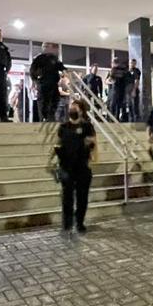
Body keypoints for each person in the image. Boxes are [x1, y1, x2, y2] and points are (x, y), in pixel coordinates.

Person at [54, 99, 96, 237]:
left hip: (82, 166)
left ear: (81, 111)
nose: (72, 109)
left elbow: (93, 144)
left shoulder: (87, 127)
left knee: (82, 197)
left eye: (75, 107)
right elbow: (57, 143)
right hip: (66, 166)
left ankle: (79, 222)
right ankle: (67, 224)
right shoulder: (63, 127)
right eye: (71, 107)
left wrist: (92, 158)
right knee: (67, 197)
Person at [30, 43, 64, 122]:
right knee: (43, 102)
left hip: (53, 84)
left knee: (54, 100)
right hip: (43, 84)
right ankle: (43, 118)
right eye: (46, 47)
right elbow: (32, 71)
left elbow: (60, 67)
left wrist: (64, 71)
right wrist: (36, 81)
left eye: (50, 47)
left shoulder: (53, 59)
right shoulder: (39, 58)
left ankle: (51, 117)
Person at [108, 56, 128, 121]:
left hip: (117, 87)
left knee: (114, 104)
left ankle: (113, 118)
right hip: (121, 88)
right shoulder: (123, 69)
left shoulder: (114, 69)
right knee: (117, 104)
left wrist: (111, 81)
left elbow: (111, 78)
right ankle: (116, 118)